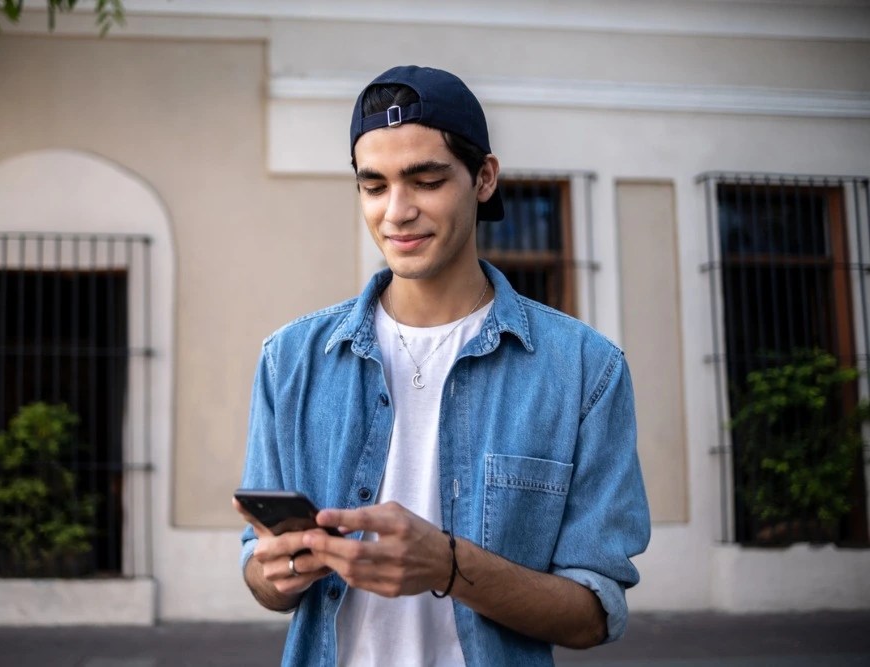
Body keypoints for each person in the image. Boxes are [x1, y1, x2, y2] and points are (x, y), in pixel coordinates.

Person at [235, 64, 650, 667]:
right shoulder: (291, 360)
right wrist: (278, 572)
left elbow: (592, 615)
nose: (396, 212)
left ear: (484, 179)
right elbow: (261, 578)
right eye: (374, 186)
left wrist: (449, 566)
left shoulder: (585, 370)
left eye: (425, 180)